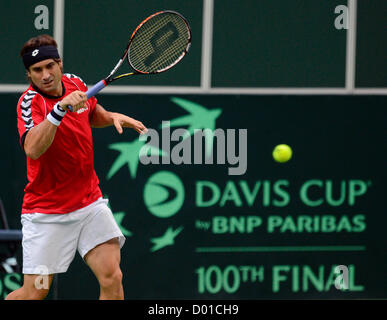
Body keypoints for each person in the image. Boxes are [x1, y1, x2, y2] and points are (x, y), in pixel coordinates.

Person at [6, 34, 147, 300]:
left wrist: (112, 117)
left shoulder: (75, 83)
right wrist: (57, 111)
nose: (45, 74)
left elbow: (91, 113)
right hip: (46, 212)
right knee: (34, 293)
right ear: (29, 74)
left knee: (112, 276)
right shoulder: (29, 103)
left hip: (88, 205)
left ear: (60, 64)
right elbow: (33, 148)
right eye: (37, 70)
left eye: (50, 66)